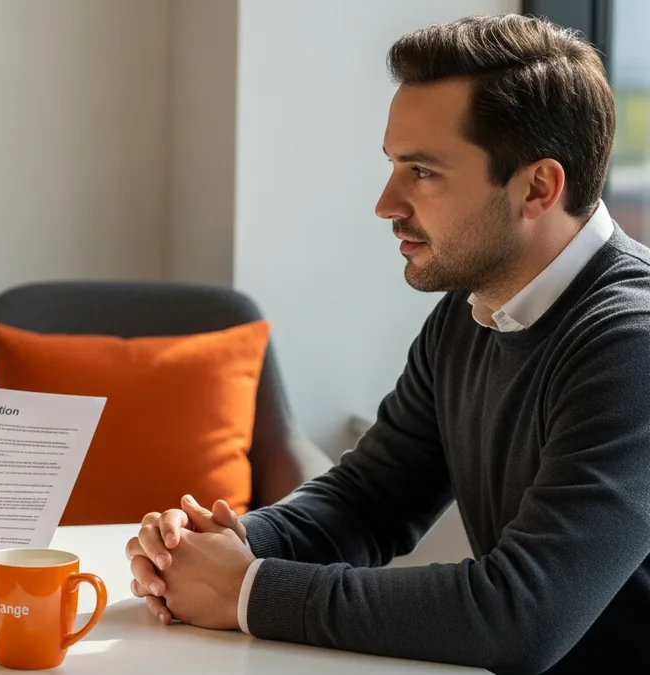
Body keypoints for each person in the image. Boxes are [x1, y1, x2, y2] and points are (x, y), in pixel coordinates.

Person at [127, 13, 650, 674]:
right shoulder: (471, 311)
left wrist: (245, 590)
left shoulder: (632, 344)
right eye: (394, 166)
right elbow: (366, 503)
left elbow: (522, 612)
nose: (386, 202)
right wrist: (218, 545)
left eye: (423, 172)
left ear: (538, 187)